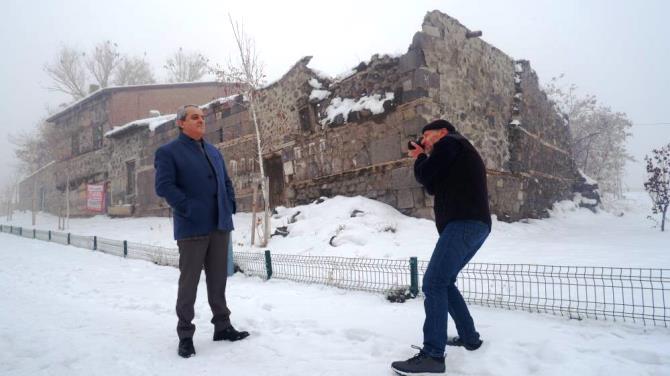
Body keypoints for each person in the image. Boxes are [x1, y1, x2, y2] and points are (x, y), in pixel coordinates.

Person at [391, 119, 491, 375]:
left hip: (463, 223)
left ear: (442, 132)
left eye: (427, 136)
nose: (425, 141)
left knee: (433, 283)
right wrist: (422, 156)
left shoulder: (449, 142)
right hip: (474, 225)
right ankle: (470, 338)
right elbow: (432, 185)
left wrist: (422, 156)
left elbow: (425, 174)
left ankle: (433, 356)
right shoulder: (455, 152)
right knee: (444, 282)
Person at [154, 104, 249, 358]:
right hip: (192, 226)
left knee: (218, 281)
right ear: (181, 123)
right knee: (189, 284)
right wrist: (188, 208)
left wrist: (229, 205)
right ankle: (185, 335)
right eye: (194, 117)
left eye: (202, 117)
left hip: (219, 225)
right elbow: (164, 186)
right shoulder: (168, 152)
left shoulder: (214, 151)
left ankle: (223, 326)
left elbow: (226, 181)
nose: (200, 121)